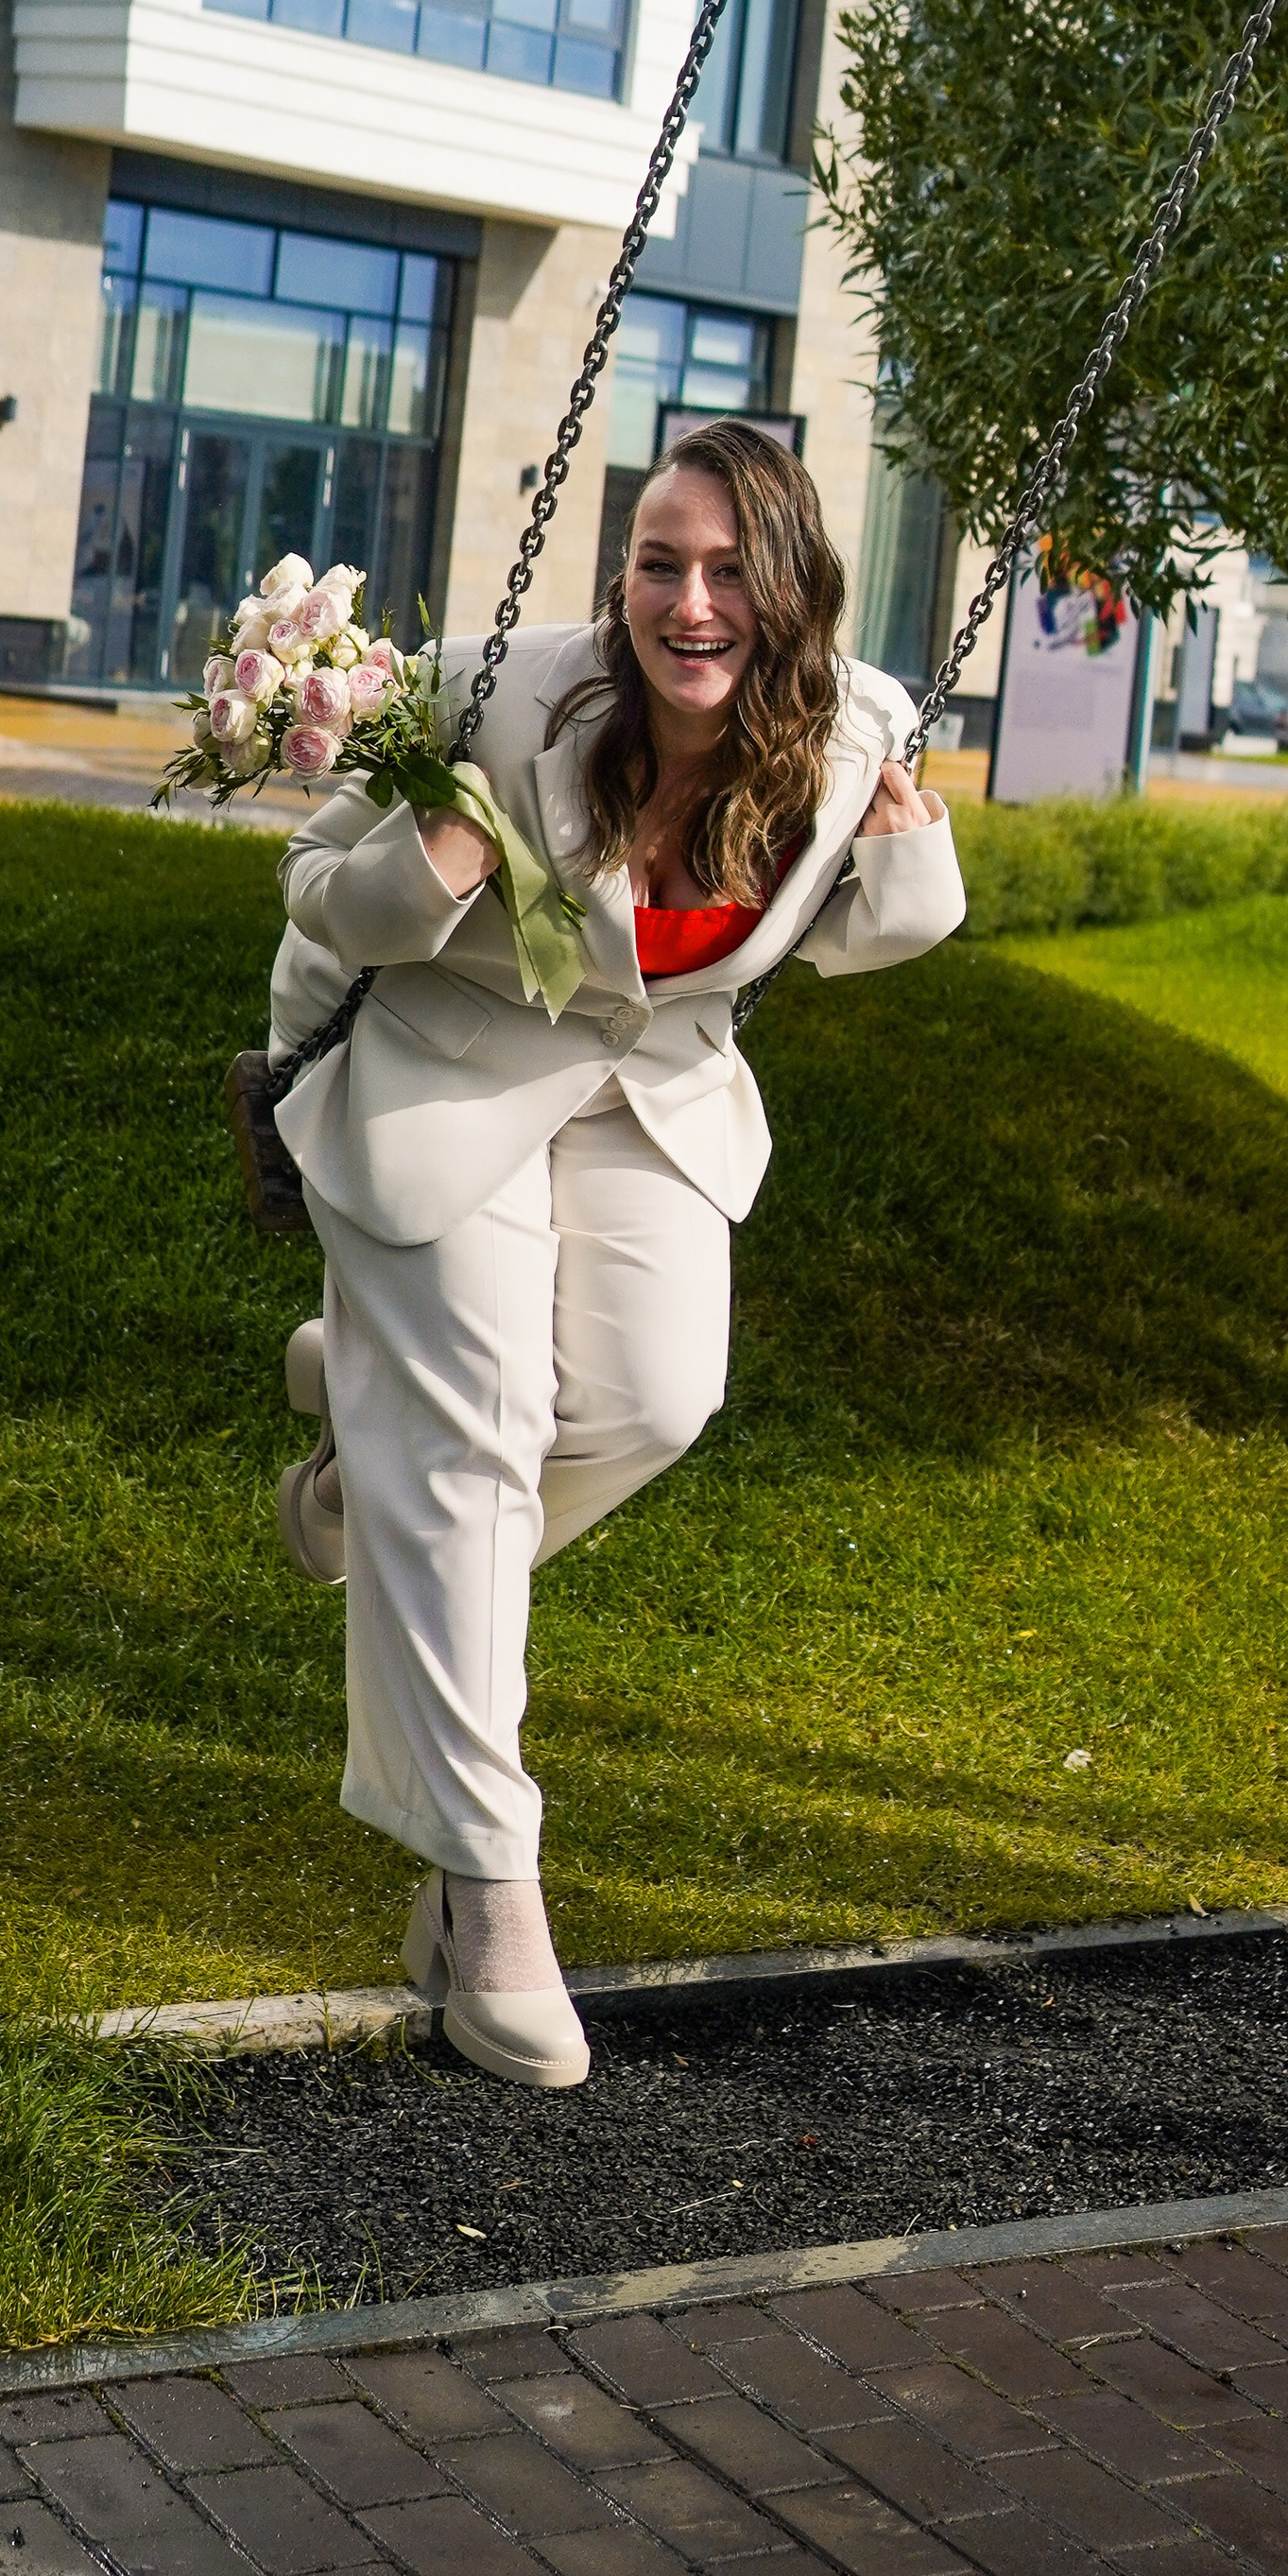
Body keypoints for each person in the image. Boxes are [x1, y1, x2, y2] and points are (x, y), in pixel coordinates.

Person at [264, 423, 966, 2087]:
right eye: (661, 560)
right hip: (447, 1072)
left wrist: (912, 846)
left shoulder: (853, 723)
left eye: (729, 569)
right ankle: (488, 1889)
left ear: (790, 588)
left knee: (657, 1402)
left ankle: (365, 1467)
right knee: (479, 1431)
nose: (691, 600)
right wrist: (421, 870)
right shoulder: (497, 688)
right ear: (620, 570)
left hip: (650, 1089)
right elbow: (310, 890)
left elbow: (855, 923)